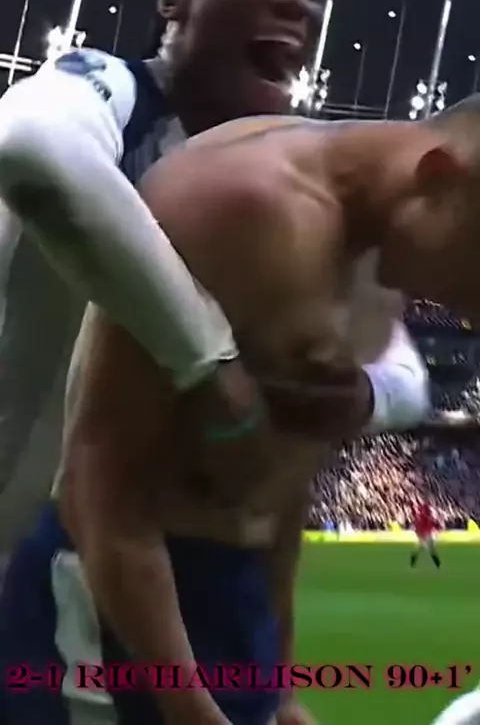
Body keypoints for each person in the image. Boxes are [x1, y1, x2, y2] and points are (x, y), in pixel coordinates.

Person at [4, 98, 465, 725]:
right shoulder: (243, 204)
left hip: (235, 604)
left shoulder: (382, 260)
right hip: (106, 623)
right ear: (438, 177)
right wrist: (189, 708)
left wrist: (280, 687)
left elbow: (284, 484)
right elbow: (99, 486)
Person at [0, 0, 427, 514]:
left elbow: (404, 371)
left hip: (114, 550)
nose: (297, 3)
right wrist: (208, 365)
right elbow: (30, 145)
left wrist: (364, 396)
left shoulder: (290, 178)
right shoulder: (111, 91)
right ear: (174, 2)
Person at [410, 499, 441, 568]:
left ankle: (412, 564)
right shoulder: (425, 515)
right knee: (426, 549)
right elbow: (433, 523)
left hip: (425, 534)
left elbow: (420, 524)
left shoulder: (423, 515)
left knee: (421, 549)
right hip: (426, 534)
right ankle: (438, 564)